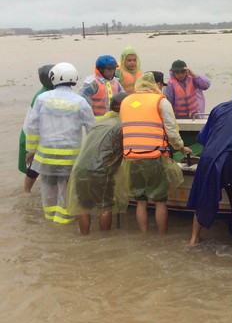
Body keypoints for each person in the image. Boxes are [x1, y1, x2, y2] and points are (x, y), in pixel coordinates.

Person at [120, 72, 192, 234]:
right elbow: (172, 132)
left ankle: (145, 236)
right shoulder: (161, 101)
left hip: (131, 157)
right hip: (154, 156)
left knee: (140, 201)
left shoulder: (126, 101)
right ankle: (161, 237)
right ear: (157, 85)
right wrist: (181, 147)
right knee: (160, 201)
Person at [188, 75, 232, 247]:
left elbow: (203, 137)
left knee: (203, 199)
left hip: (209, 160)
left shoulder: (219, 108)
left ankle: (193, 239)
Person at [24, 63, 95, 224]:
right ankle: (62, 224)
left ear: (53, 78)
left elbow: (32, 127)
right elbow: (92, 129)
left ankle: (49, 221)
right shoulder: (81, 102)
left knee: (48, 191)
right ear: (75, 78)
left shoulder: (42, 99)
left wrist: (30, 151)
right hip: (69, 158)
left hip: (46, 156)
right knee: (66, 192)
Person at [67, 92, 130, 235]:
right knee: (105, 208)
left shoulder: (100, 123)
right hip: (101, 172)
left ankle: (84, 239)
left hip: (80, 169)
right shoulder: (124, 125)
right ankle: (104, 242)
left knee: (84, 208)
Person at [19, 64, 54, 193]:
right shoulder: (43, 96)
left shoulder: (46, 93)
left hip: (38, 135)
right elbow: (32, 124)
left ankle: (28, 192)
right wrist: (31, 148)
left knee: (38, 167)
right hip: (33, 136)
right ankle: (26, 192)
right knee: (35, 167)